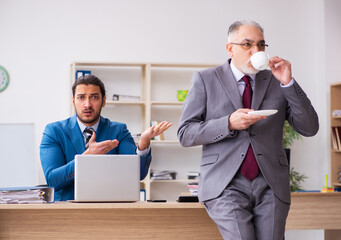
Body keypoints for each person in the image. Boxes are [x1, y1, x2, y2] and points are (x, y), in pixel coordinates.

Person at [177, 20, 319, 240]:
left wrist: (288, 83)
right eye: (247, 44)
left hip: (271, 184)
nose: (256, 51)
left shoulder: (277, 80)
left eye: (261, 45)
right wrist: (228, 124)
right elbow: (185, 133)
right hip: (225, 184)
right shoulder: (205, 79)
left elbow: (309, 128)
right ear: (230, 48)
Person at [40, 74, 172, 201]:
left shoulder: (119, 130)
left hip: (109, 209)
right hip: (67, 211)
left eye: (94, 97)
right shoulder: (54, 131)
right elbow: (53, 180)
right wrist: (86, 158)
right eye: (81, 97)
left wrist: (144, 142)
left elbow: (138, 174)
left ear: (103, 101)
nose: (87, 104)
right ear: (73, 101)